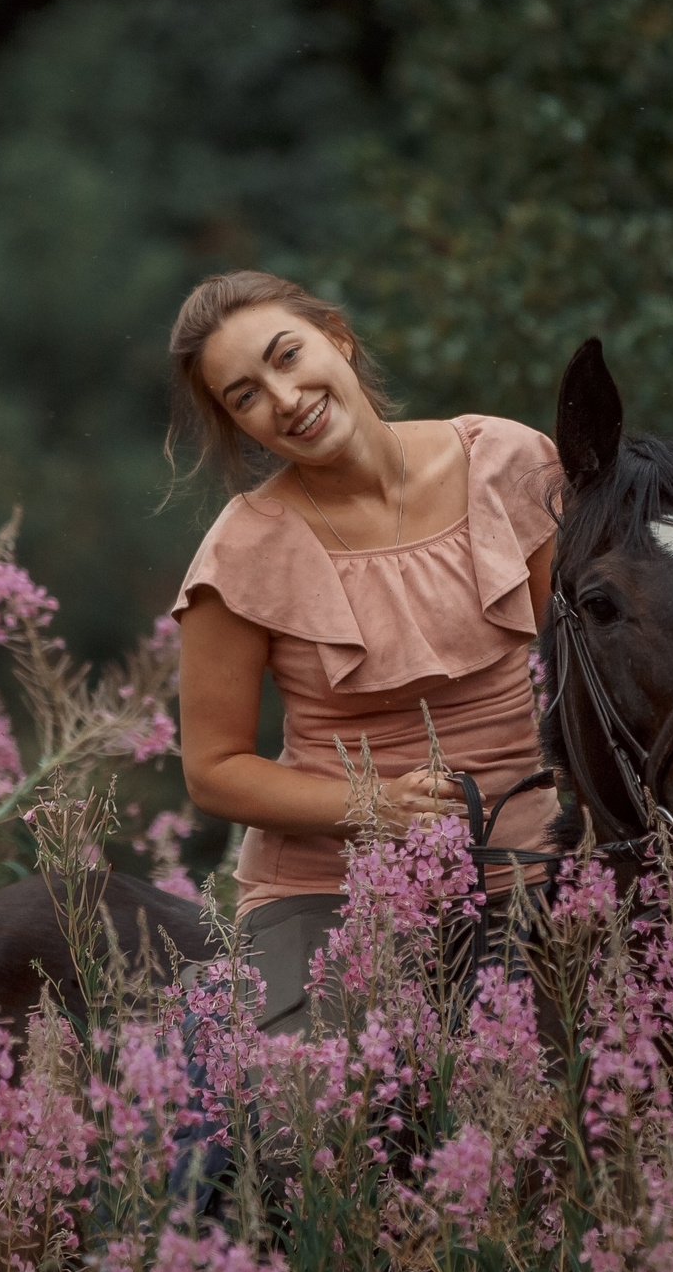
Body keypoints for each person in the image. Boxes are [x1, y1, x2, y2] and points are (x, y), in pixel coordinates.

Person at [167, 271, 559, 1036]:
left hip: (531, 873)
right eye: (244, 396)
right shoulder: (243, 551)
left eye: (287, 356)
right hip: (331, 894)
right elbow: (210, 770)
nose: (282, 399)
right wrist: (371, 805)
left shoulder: (510, 465)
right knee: (300, 1136)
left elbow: (595, 657)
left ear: (337, 337)